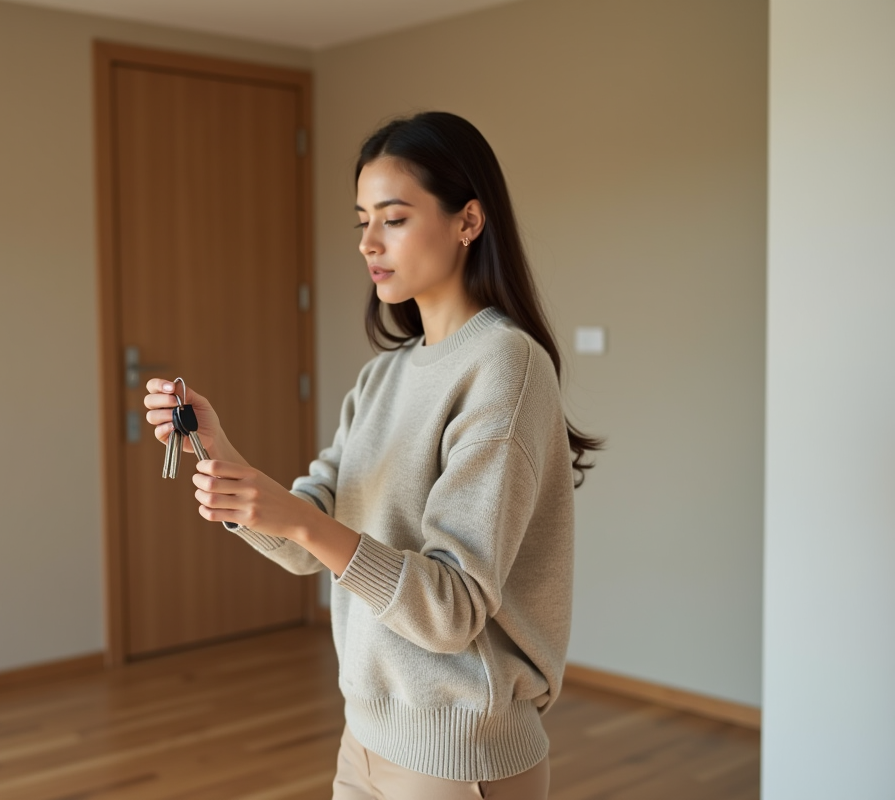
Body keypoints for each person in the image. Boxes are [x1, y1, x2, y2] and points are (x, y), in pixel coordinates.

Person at [143, 111, 600, 800]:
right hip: (364, 739)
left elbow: (452, 610)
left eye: (393, 218)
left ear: (468, 221)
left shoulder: (505, 367)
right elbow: (309, 544)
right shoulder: (383, 377)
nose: (367, 242)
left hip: (455, 758)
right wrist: (221, 449)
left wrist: (302, 523)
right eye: (362, 220)